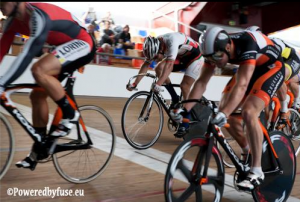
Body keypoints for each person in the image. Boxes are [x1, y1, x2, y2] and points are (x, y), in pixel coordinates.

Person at [172, 27, 285, 191]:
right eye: (211, 59)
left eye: (217, 57)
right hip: (251, 67)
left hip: (272, 68)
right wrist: (185, 110)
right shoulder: (214, 50)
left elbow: (242, 85)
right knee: (225, 111)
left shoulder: (247, 43)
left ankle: (257, 170)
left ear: (228, 47)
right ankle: (247, 151)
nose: (215, 62)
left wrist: (224, 113)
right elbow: (201, 82)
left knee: (249, 111)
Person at [0, 2, 96, 169]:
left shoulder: (37, 16)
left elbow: (28, 53)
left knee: (39, 69)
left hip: (83, 42)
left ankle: (70, 114)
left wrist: (2, 83)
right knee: (36, 96)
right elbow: (1, 50)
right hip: (63, 47)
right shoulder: (12, 21)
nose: (0, 6)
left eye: (2, 2)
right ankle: (40, 148)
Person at [126, 33, 203, 127]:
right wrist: (135, 83)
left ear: (160, 49)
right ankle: (175, 98)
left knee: (185, 86)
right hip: (181, 56)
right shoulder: (155, 46)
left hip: (195, 58)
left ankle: (186, 119)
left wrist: (158, 84)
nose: (155, 60)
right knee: (158, 68)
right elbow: (146, 65)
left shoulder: (172, 41)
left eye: (155, 57)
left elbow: (169, 66)